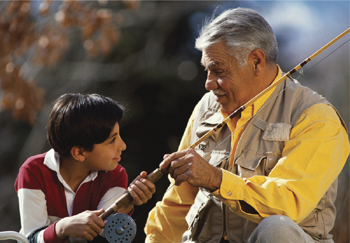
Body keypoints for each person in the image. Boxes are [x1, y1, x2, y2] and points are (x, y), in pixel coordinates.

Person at [144, 7, 350, 243]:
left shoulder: (316, 117)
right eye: (206, 70)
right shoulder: (206, 106)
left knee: (277, 229)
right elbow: (178, 201)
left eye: (218, 70)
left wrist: (215, 179)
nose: (208, 84)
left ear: (256, 61)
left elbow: (288, 203)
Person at [15, 93, 156, 243]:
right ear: (80, 152)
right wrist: (63, 227)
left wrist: (126, 204)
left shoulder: (115, 175)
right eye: (112, 140)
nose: (123, 145)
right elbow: (30, 239)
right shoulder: (34, 171)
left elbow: (106, 233)